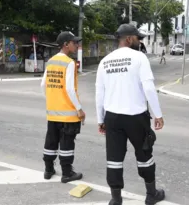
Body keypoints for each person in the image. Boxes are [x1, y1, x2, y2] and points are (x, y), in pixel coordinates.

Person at [95, 23, 165, 205]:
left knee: (114, 158)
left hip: (112, 117)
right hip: (136, 117)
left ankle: (116, 199)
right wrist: (158, 114)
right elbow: (149, 88)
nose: (139, 41)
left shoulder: (105, 61)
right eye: (137, 38)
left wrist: (100, 119)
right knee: (144, 156)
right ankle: (151, 194)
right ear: (128, 39)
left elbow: (99, 93)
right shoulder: (139, 57)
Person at [40, 31, 86, 183]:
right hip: (68, 114)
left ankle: (48, 170)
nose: (77, 45)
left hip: (53, 113)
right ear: (66, 44)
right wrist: (79, 109)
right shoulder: (69, 62)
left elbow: (43, 85)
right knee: (67, 142)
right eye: (74, 42)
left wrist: (52, 99)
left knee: (51, 141)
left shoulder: (51, 61)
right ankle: (67, 173)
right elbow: (70, 89)